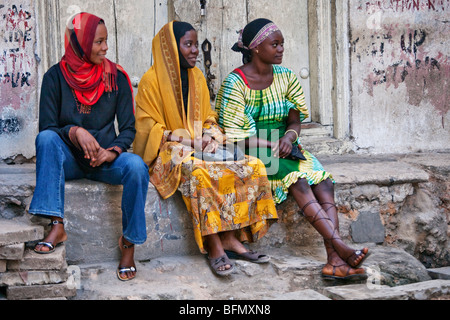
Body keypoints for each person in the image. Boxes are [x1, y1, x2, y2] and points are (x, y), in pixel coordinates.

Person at [215, 18, 369, 280]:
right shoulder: (235, 83)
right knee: (297, 179)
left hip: (285, 144)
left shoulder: (286, 77)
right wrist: (274, 144)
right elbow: (236, 137)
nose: (280, 49)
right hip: (254, 147)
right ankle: (340, 248)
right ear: (255, 48)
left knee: (324, 182)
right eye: (274, 44)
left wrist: (288, 137)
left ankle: (334, 260)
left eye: (282, 44)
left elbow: (295, 121)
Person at [133, 21, 278, 276]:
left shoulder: (197, 76)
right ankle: (213, 244)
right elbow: (148, 129)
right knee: (199, 173)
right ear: (169, 47)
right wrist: (189, 141)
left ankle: (232, 239)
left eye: (195, 45)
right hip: (167, 150)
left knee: (250, 166)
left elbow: (209, 117)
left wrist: (211, 135)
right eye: (187, 44)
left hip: (200, 145)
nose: (194, 51)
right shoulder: (150, 81)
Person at [29, 12, 149, 282]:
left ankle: (128, 244)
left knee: (137, 167)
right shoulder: (54, 77)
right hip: (70, 161)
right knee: (46, 140)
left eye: (106, 41)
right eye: (98, 42)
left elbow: (128, 128)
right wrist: (73, 131)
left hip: (106, 162)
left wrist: (112, 152)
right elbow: (47, 128)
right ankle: (56, 225)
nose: (105, 48)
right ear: (80, 43)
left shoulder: (116, 77)